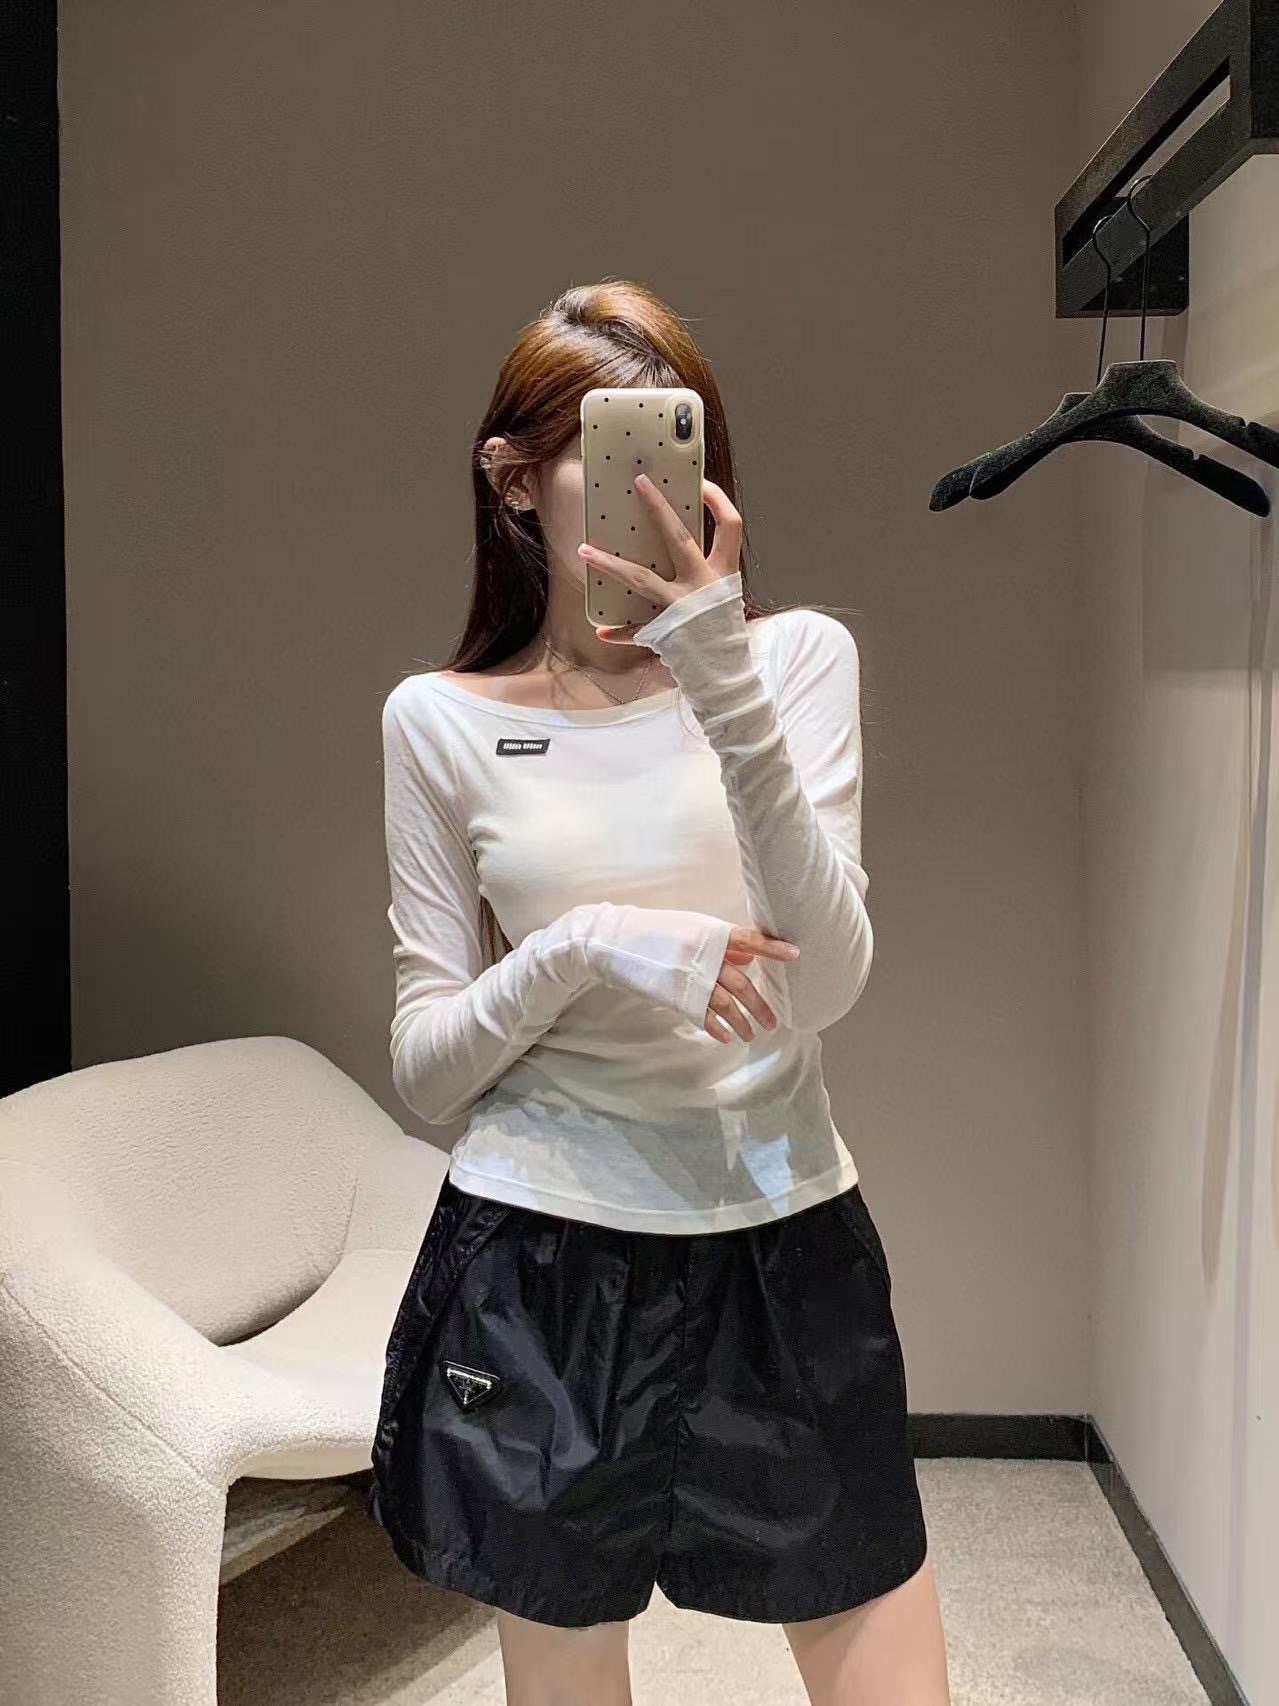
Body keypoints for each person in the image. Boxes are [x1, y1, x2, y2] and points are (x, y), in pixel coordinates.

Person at [365, 279, 952, 1706]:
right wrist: (585, 946)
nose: (652, 497)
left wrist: (716, 668)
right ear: (514, 479)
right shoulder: (437, 722)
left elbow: (828, 982)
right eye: (605, 457)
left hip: (780, 1235)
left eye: (675, 452)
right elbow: (429, 1068)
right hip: (538, 1267)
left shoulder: (795, 663)